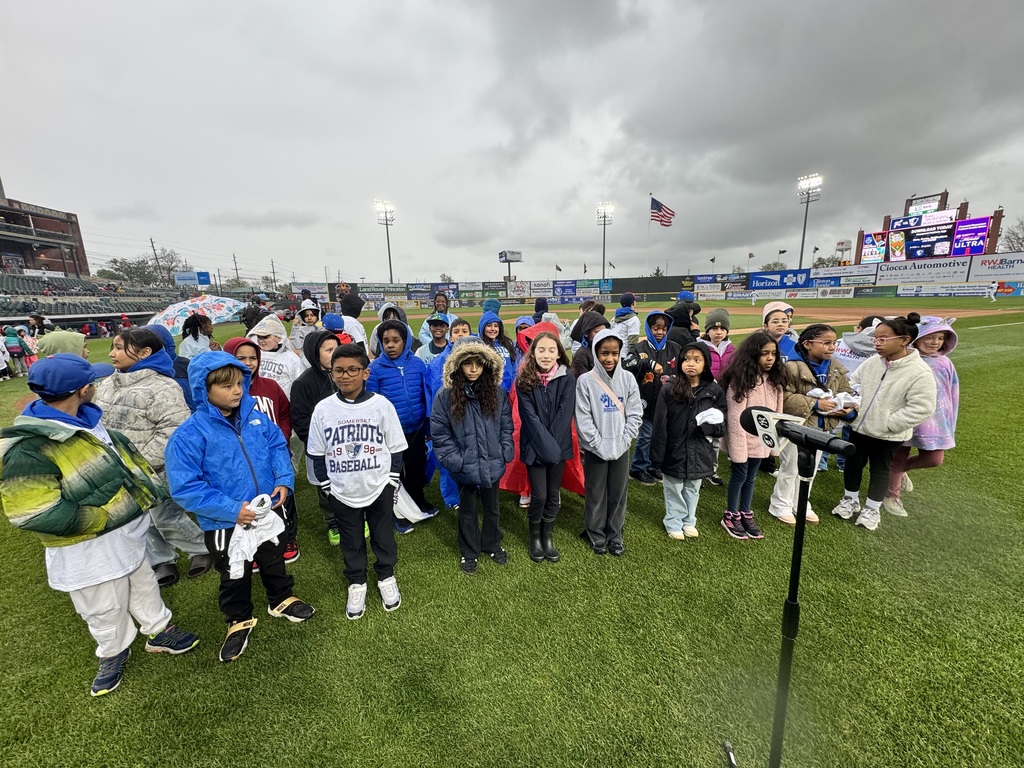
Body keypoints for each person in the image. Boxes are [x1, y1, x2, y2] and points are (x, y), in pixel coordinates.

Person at [0, 354, 200, 696]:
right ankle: (112, 651)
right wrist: (107, 518)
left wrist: (142, 495)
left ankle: (158, 629)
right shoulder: (29, 448)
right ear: (82, 389)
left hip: (126, 535)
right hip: (87, 548)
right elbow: (33, 512)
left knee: (143, 582)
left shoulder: (88, 419)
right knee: (102, 605)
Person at [165, 353, 315, 663]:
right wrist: (233, 509)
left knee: (273, 557)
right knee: (234, 570)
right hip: (225, 521)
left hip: (267, 510)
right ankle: (237, 619)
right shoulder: (189, 435)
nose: (236, 391)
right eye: (226, 386)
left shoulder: (256, 418)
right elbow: (186, 487)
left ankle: (281, 598)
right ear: (203, 389)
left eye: (239, 383)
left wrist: (284, 480)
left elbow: (277, 447)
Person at [92, 328, 212, 587]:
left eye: (120, 348)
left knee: (165, 516)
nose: (112, 354)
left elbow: (173, 432)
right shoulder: (108, 384)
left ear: (145, 352)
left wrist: (138, 463)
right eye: (113, 347)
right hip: (119, 467)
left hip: (154, 468)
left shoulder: (162, 386)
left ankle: (201, 547)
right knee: (140, 519)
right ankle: (161, 559)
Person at [308, 344, 407, 619]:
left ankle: (386, 576)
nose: (345, 376)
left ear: (365, 373)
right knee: (351, 539)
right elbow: (317, 452)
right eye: (338, 370)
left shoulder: (381, 405)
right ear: (331, 374)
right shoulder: (323, 409)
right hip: (342, 489)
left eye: (353, 370)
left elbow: (396, 447)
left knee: (383, 535)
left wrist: (391, 481)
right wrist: (327, 486)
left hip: (378, 486)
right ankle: (356, 581)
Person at [831, 313, 936, 531]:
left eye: (883, 339)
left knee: (880, 469)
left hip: (889, 434)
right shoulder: (872, 363)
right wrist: (853, 406)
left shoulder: (919, 372)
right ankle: (850, 499)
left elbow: (922, 407)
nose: (877, 343)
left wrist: (889, 423)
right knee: (853, 463)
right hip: (859, 426)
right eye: (875, 339)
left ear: (904, 340)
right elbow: (854, 383)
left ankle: (872, 509)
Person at [431, 338, 514, 573]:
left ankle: (492, 542)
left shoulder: (497, 394)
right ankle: (469, 550)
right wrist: (458, 461)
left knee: (492, 507)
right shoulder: (444, 396)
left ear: (487, 365)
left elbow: (506, 426)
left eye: (479, 363)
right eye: (468, 364)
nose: (474, 369)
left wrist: (504, 450)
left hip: (493, 461)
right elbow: (440, 433)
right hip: (464, 466)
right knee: (467, 510)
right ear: (458, 366)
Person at [768, 324, 857, 526]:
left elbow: (847, 391)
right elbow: (784, 397)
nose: (831, 347)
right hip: (796, 425)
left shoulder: (835, 366)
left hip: (821, 426)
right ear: (808, 344)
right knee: (791, 465)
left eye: (834, 343)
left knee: (811, 468)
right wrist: (815, 403)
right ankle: (780, 503)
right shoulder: (792, 367)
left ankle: (800, 502)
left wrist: (848, 408)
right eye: (825, 343)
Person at [223, 337, 299, 562]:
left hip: (276, 452)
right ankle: (253, 541)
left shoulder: (270, 386)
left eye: (253, 357)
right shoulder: (228, 393)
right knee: (250, 499)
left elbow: (285, 413)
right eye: (241, 358)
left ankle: (288, 536)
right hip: (245, 458)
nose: (249, 363)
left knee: (283, 495)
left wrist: (283, 436)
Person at [575, 329, 642, 555]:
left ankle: (615, 533)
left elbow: (635, 414)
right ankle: (595, 533)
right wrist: (599, 444)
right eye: (604, 353)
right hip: (596, 449)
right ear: (596, 353)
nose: (610, 359)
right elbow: (583, 419)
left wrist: (623, 441)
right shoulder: (585, 381)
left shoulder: (628, 379)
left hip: (621, 447)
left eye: (614, 353)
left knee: (618, 492)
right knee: (595, 492)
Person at [650, 342, 727, 539]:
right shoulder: (669, 389)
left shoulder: (714, 391)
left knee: (693, 488)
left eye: (696, 360)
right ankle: (673, 521)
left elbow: (722, 421)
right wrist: (657, 455)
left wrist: (710, 428)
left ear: (705, 364)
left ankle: (689, 520)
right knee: (674, 487)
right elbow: (660, 424)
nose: (690, 364)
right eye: (686, 359)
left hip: (700, 450)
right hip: (674, 448)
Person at [882, 316, 958, 517]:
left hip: (935, 420)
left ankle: (896, 472)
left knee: (934, 459)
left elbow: (952, 391)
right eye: (930, 336)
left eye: (940, 338)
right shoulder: (904, 360)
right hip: (907, 416)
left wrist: (950, 420)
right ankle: (892, 494)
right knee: (899, 456)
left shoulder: (944, 362)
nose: (935, 342)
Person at [718, 330, 787, 540]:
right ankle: (731, 514)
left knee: (751, 478)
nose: (769, 358)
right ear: (752, 354)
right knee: (739, 476)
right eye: (764, 353)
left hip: (761, 442)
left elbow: (777, 414)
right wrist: (738, 450)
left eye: (773, 354)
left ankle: (745, 512)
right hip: (743, 441)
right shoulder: (741, 381)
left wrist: (771, 444)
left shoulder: (775, 380)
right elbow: (735, 418)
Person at [368, 319, 436, 529]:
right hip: (389, 435)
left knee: (416, 468)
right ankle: (395, 511)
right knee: (392, 473)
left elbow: (425, 395)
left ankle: (417, 500)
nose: (390, 345)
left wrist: (427, 425)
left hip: (415, 429)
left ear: (405, 341)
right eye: (385, 341)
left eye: (395, 340)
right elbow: (372, 402)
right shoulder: (375, 368)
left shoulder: (417, 364)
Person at [516, 330, 576, 563]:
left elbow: (564, 414)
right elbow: (529, 419)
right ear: (533, 353)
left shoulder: (567, 376)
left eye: (552, 350)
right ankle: (534, 538)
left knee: (553, 495)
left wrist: (553, 448)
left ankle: (547, 536)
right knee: (538, 496)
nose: (546, 354)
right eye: (541, 350)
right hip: (535, 449)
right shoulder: (524, 379)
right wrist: (548, 448)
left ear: (559, 353)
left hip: (559, 447)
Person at [289, 330, 341, 544]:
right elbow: (300, 420)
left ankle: (353, 515)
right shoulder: (304, 383)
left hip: (345, 443)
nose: (335, 353)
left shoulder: (343, 374)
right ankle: (333, 522)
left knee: (345, 481)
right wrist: (319, 444)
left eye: (336, 348)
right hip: (320, 447)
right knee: (326, 486)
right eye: (329, 350)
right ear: (313, 352)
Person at [622, 310, 680, 485]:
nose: (660, 332)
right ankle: (638, 467)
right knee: (646, 435)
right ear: (649, 328)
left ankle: (655, 465)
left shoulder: (674, 348)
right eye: (656, 328)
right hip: (645, 401)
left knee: (661, 436)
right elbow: (627, 364)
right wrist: (647, 363)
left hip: (667, 402)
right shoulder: (640, 348)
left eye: (663, 328)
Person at [425, 318, 472, 512]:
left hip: (472, 421)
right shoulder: (438, 364)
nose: (460, 334)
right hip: (449, 421)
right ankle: (453, 498)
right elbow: (432, 395)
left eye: (464, 330)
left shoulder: (480, 362)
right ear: (450, 336)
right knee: (449, 462)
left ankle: (472, 488)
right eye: (456, 331)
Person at [698, 308, 734, 486]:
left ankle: (711, 470)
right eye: (713, 328)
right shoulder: (700, 347)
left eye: (722, 329)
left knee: (717, 436)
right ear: (707, 330)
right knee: (702, 434)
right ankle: (699, 470)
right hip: (705, 397)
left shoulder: (732, 349)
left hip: (723, 398)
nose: (718, 332)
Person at [245, 314, 303, 398]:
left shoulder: (292, 359)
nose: (260, 341)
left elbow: (299, 387)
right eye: (259, 337)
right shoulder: (253, 355)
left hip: (281, 405)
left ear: (278, 338)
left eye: (265, 337)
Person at [478, 310, 518, 392]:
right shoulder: (480, 346)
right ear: (482, 327)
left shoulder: (506, 343)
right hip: (492, 390)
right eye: (489, 326)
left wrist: (513, 384)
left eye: (496, 326)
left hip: (510, 389)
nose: (493, 329)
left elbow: (513, 364)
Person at [569, 310, 611, 379]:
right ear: (586, 333)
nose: (602, 335)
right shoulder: (581, 355)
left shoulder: (604, 350)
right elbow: (584, 381)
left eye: (604, 331)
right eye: (597, 332)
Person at [288, 299, 322, 365]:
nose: (309, 318)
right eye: (306, 316)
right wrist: (295, 327)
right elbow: (297, 346)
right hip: (306, 363)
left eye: (312, 315)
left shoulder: (322, 328)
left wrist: (319, 327)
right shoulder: (301, 330)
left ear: (317, 316)